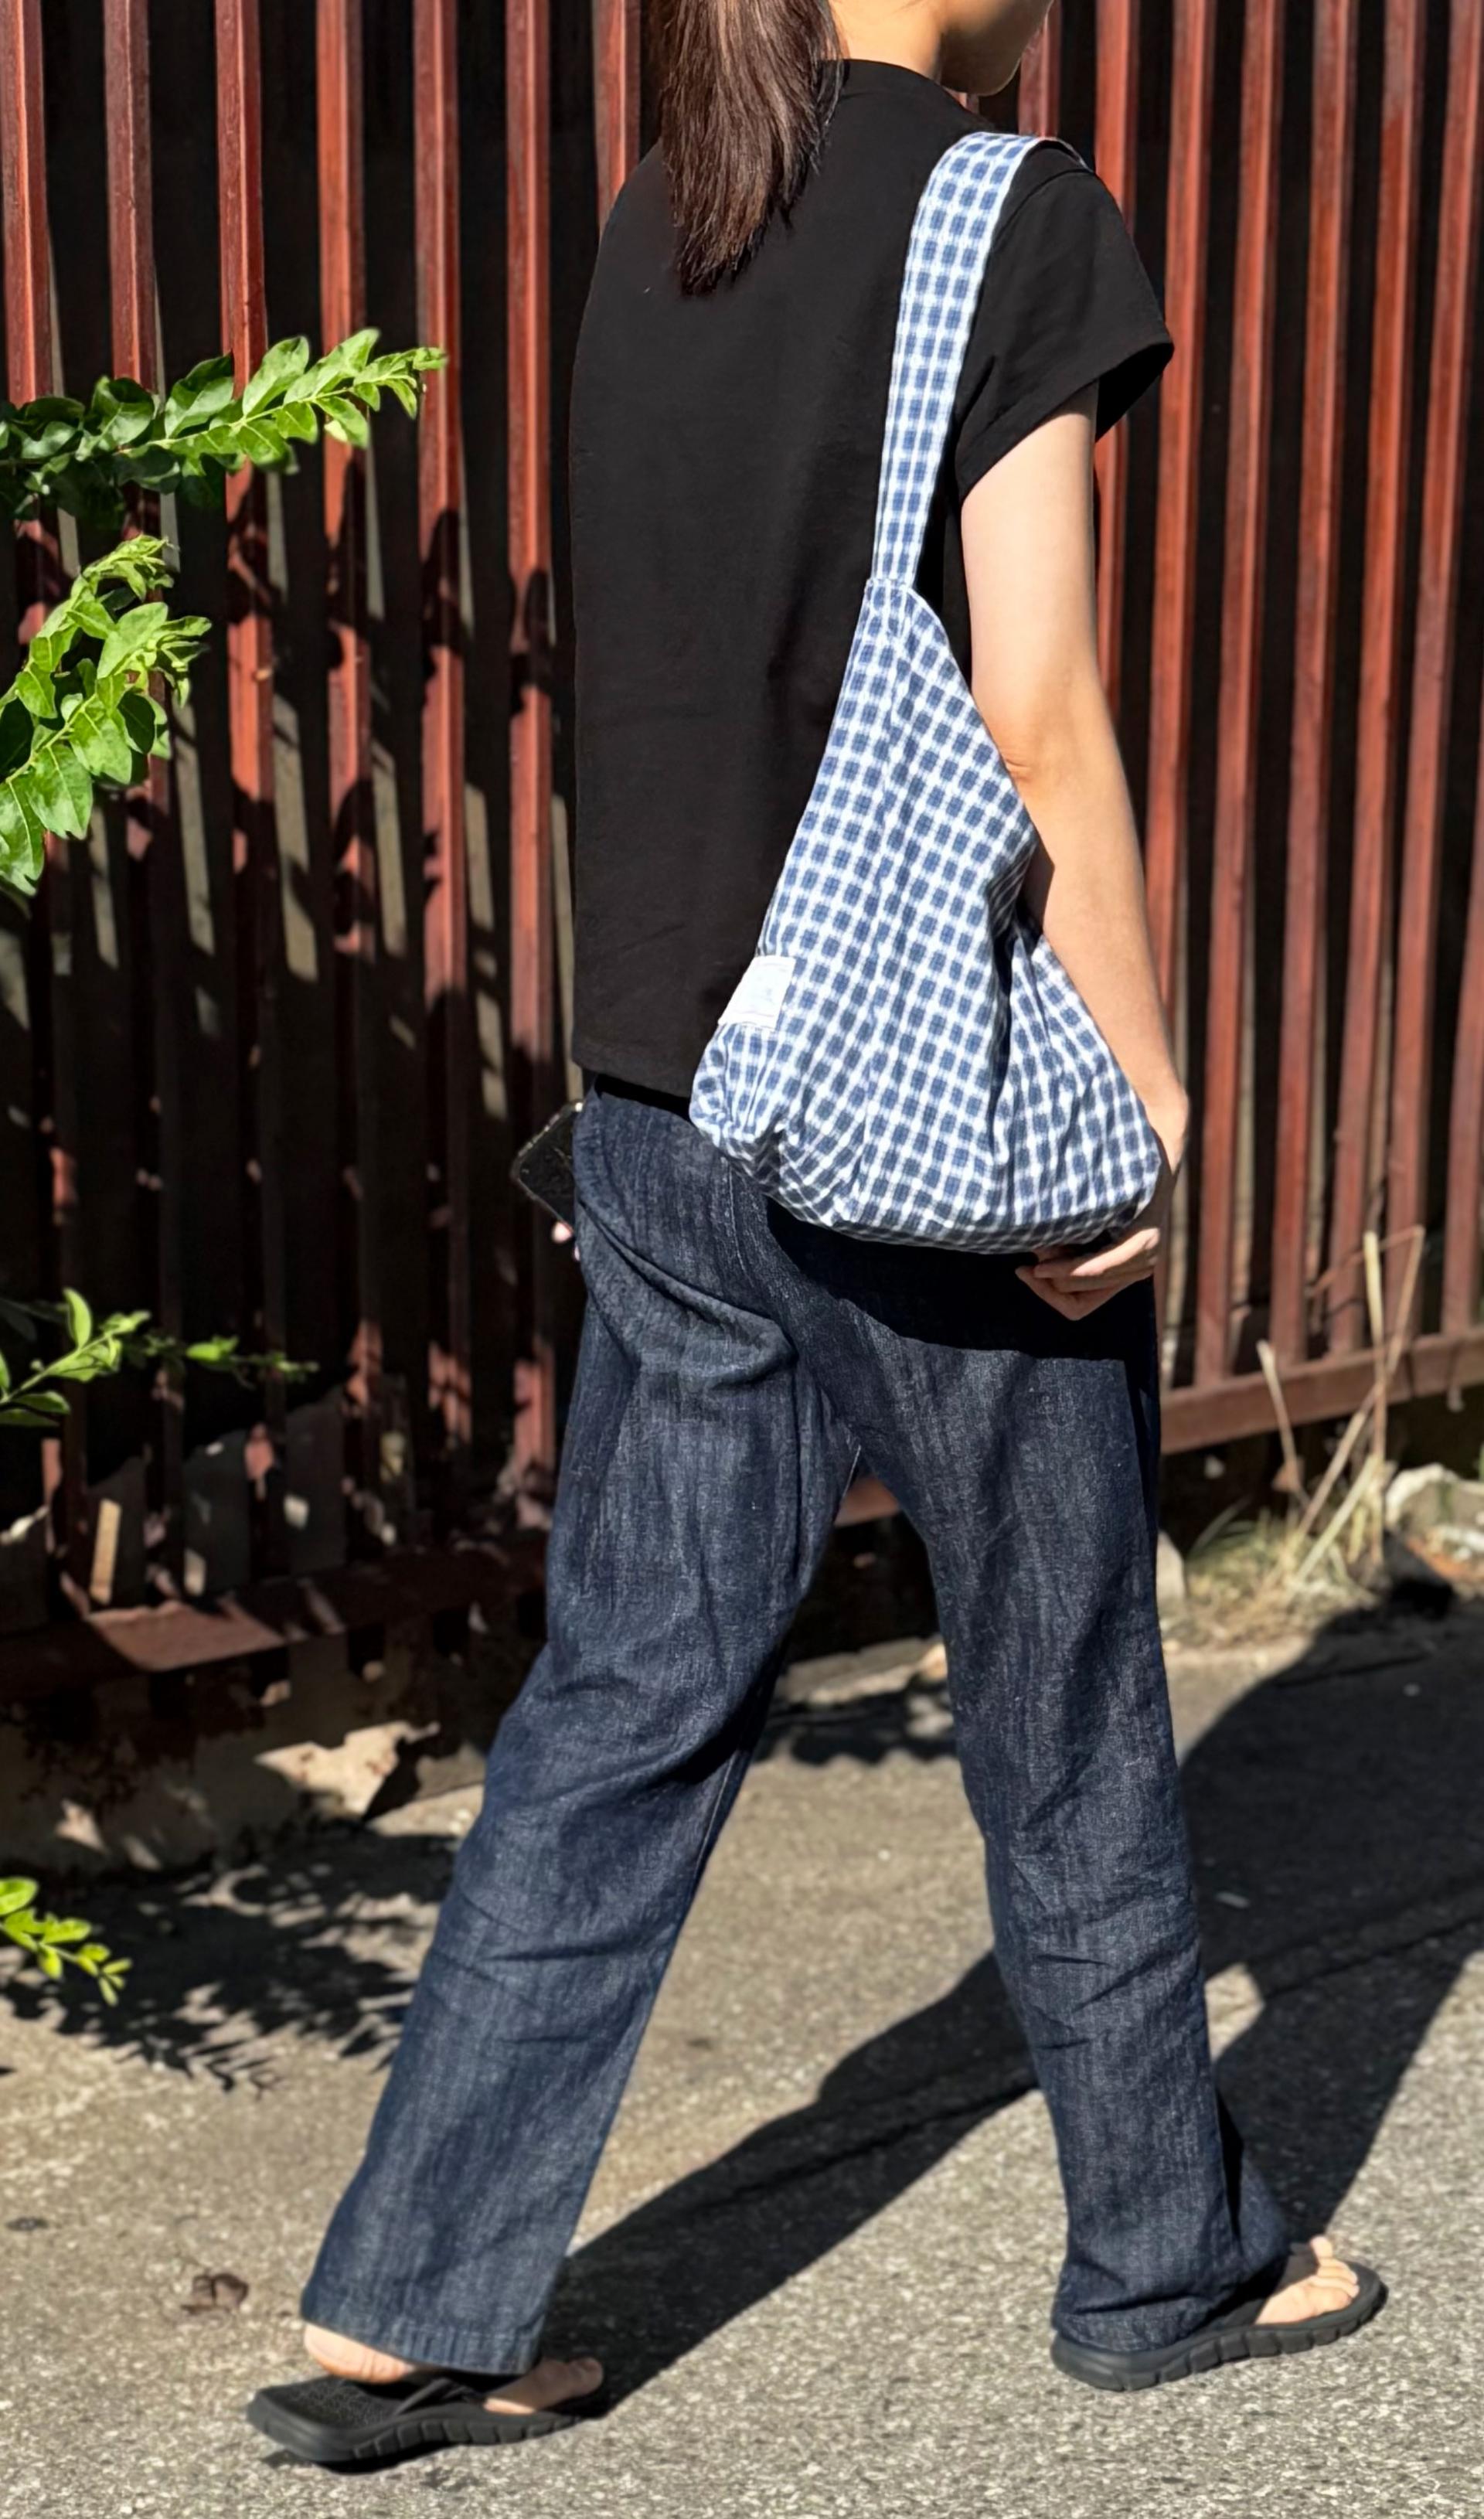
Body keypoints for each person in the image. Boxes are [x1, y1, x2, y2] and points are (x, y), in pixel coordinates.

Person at [248, 0, 1382, 2467]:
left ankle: (409, 2297)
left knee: (624, 1695)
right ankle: (1167, 2256)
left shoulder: (667, 212)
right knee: (1065, 1700)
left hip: (670, 1086)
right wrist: (1146, 1095)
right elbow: (1040, 696)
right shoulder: (1010, 208)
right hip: (910, 1109)